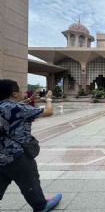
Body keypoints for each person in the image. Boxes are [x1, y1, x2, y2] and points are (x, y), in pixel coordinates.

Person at [0, 79, 62, 212]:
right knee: (29, 180)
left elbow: (10, 108)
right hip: (16, 155)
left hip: (1, 156)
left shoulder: (7, 106)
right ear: (14, 93)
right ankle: (40, 205)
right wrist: (49, 99)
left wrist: (30, 99)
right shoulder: (16, 108)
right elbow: (48, 112)